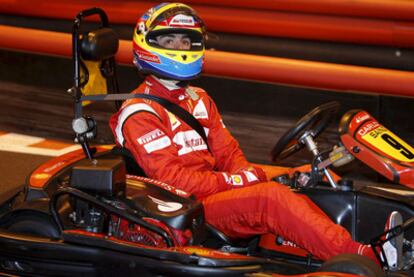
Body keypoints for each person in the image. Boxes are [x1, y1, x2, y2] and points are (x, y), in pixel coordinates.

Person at [109, 2, 400, 267]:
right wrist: (242, 181)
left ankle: (365, 239)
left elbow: (229, 154)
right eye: (170, 40)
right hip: (182, 207)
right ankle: (363, 258)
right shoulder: (140, 113)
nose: (180, 47)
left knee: (306, 176)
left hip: (210, 192)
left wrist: (247, 177)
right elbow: (174, 183)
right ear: (148, 44)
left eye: (186, 40)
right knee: (269, 198)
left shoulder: (199, 98)